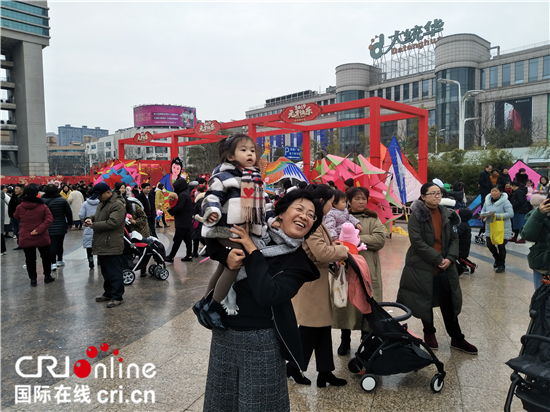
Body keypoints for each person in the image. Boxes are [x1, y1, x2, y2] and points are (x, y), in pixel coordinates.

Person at [202, 189, 322, 412]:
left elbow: (268, 294)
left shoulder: (298, 263)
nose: (305, 216)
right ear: (282, 214)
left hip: (262, 342)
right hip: (224, 333)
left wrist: (251, 249)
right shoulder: (258, 233)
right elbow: (213, 239)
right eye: (299, 209)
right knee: (221, 403)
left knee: (259, 405)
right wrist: (224, 255)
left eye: (311, 215)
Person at [397, 182, 478, 354]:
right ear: (423, 197)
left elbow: (455, 239)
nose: (437, 196)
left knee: (448, 302)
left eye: (439, 193)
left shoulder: (448, 214)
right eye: (432, 193)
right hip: (422, 267)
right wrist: (437, 258)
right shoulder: (416, 216)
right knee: (425, 300)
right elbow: (417, 242)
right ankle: (429, 332)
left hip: (445, 267)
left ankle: (457, 337)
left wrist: (449, 258)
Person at [200, 134, 271, 327]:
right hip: (225, 229)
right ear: (231, 156)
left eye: (252, 150)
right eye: (243, 150)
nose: (250, 154)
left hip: (242, 230)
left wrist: (273, 219)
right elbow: (211, 197)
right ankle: (213, 306)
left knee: (225, 266)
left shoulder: (255, 178)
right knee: (236, 260)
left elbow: (265, 204)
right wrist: (212, 212)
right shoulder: (223, 176)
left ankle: (204, 303)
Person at [288, 184, 349, 388]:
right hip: (312, 283)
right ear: (321, 202)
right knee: (309, 330)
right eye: (331, 203)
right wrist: (344, 251)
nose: (332, 207)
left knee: (322, 328)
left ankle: (325, 371)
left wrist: (335, 247)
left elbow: (324, 249)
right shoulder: (313, 224)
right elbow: (322, 253)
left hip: (319, 280)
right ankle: (294, 367)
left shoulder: (318, 221)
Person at [334, 186, 386, 355]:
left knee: (368, 304)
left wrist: (352, 239)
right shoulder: (338, 218)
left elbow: (379, 239)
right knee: (346, 304)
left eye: (364, 198)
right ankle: (345, 339)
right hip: (346, 268)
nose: (361, 201)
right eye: (357, 198)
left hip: (368, 268)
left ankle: (366, 339)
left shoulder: (372, 218)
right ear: (348, 201)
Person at [84, 182, 126, 308]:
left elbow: (113, 223)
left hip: (111, 243)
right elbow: (99, 216)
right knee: (106, 271)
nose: (98, 199)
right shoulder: (103, 203)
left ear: (108, 192)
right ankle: (108, 293)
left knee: (114, 271)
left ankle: (117, 296)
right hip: (102, 242)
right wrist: (90, 218)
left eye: (99, 196)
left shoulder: (117, 205)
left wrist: (94, 225)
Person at [13, 186, 54, 286]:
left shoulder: (20, 207)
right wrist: (38, 230)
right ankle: (47, 276)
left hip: (26, 235)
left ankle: (33, 279)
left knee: (30, 259)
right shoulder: (43, 206)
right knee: (45, 257)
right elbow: (49, 219)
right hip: (41, 235)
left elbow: (15, 216)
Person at [480, 185, 514, 273]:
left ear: (500, 192)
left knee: (501, 246)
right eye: (492, 191)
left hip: (501, 227)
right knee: (489, 244)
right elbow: (483, 211)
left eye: (496, 191)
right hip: (490, 226)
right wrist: (483, 215)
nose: (494, 193)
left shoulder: (505, 202)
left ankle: (502, 264)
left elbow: (510, 214)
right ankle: (497, 258)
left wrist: (496, 216)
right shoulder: (487, 201)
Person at [521, 196, 550, 289]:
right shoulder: (538, 213)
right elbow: (527, 235)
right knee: (541, 301)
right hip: (542, 265)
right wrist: (539, 214)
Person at [42, 184, 73, 271]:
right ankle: (60, 259)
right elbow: (68, 213)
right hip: (61, 225)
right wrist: (70, 223)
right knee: (59, 244)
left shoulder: (42, 200)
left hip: (47, 225)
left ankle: (53, 263)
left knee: (51, 244)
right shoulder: (62, 200)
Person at [165, 178, 194, 263]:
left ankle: (171, 256)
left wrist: (170, 210)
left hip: (182, 222)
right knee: (187, 239)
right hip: (186, 221)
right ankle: (189, 255)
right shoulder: (186, 193)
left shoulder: (182, 195)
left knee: (177, 240)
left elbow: (179, 208)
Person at [79, 190, 99, 269]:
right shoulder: (100, 203)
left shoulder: (85, 204)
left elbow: (81, 214)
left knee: (89, 246)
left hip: (88, 227)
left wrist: (85, 221)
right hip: (99, 226)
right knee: (99, 244)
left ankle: (90, 260)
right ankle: (100, 261)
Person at [456, 208, 477, 274]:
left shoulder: (462, 224)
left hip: (462, 245)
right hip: (463, 244)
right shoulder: (464, 223)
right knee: (460, 258)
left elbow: (457, 233)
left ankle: (472, 265)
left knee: (461, 258)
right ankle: (464, 268)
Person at [477, 165, 493, 237]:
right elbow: (481, 181)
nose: (490, 170)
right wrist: (486, 185)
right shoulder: (482, 173)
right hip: (484, 190)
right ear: (486, 168)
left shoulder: (487, 174)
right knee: (484, 201)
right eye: (489, 169)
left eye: (491, 169)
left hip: (487, 190)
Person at [191, 185, 206, 258]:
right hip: (203, 220)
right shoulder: (204, 198)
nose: (195, 193)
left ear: (199, 192)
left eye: (196, 191)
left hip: (199, 220)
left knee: (196, 236)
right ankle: (207, 251)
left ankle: (195, 252)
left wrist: (196, 216)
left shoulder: (200, 200)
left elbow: (199, 210)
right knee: (201, 236)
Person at [8, 184, 24, 249]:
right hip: (13, 216)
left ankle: (23, 243)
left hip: (20, 217)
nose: (15, 190)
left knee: (21, 231)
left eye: (17, 189)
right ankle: (19, 244)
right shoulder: (14, 196)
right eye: (15, 189)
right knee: (16, 231)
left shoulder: (24, 198)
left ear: (22, 190)